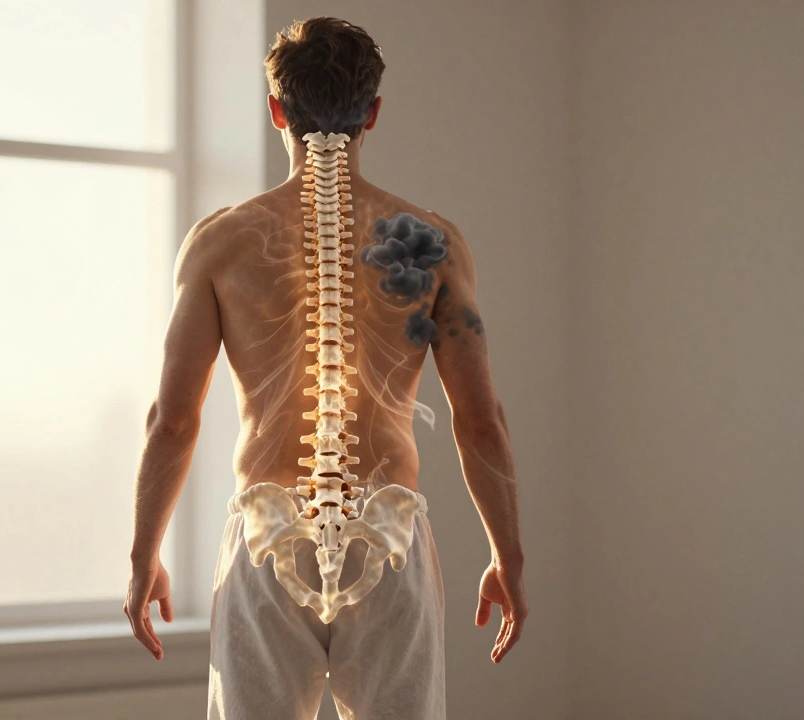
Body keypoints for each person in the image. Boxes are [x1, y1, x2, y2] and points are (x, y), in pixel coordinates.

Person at [123, 16, 527, 719]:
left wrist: (142, 557)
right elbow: (481, 421)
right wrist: (509, 560)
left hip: (266, 539)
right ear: (373, 112)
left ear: (276, 108)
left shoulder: (220, 244)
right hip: (388, 538)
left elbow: (172, 420)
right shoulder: (430, 242)